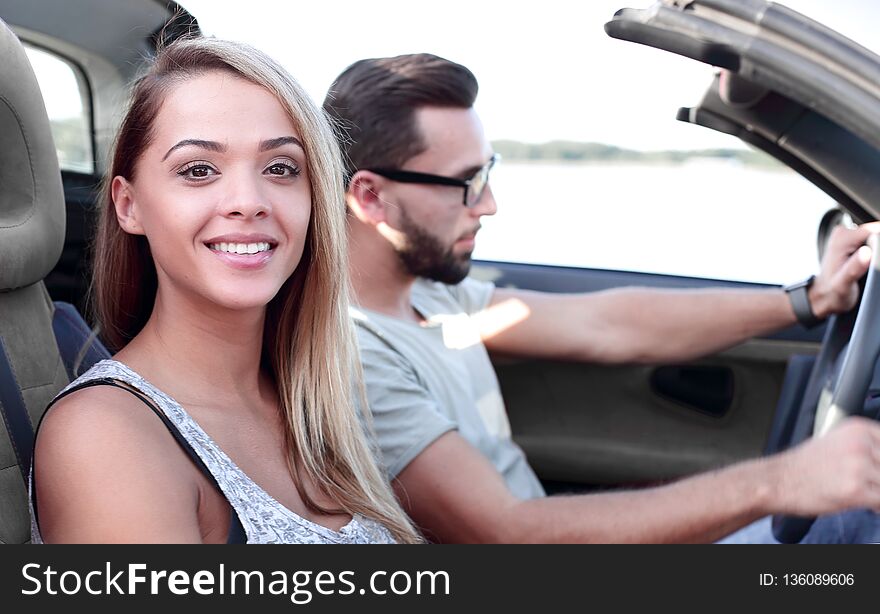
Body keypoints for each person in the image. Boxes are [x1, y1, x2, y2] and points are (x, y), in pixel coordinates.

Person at [322, 53, 880, 543]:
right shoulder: (357, 359)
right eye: (467, 182)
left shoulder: (439, 301)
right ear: (371, 197)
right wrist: (784, 481)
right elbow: (507, 535)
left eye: (488, 172)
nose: (489, 204)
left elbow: (607, 323)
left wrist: (807, 301)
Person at [29, 38, 420, 544]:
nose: (248, 201)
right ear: (130, 207)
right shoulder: (106, 435)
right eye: (198, 170)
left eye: (280, 168)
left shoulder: (309, 400)